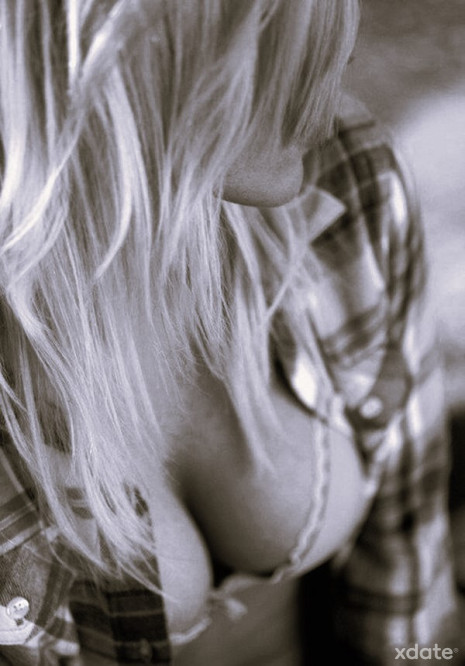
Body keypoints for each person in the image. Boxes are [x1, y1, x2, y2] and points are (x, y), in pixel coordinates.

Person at [0, 1, 458, 664]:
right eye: (268, 26)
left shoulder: (346, 181)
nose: (339, 56)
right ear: (112, 49)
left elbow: (410, 573)